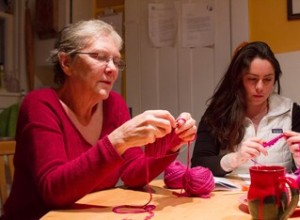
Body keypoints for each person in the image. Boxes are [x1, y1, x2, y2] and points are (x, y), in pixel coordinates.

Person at [1, 20, 197, 220]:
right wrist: (118, 140)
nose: (112, 69)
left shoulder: (114, 104)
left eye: (116, 60)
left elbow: (132, 174)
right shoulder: (40, 104)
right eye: (99, 57)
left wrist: (172, 144)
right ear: (66, 63)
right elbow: (54, 192)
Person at [191, 41, 300, 177]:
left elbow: (297, 173)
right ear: (238, 79)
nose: (260, 87)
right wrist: (234, 159)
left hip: (278, 194)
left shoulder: (291, 112)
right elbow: (198, 165)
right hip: (229, 196)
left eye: (267, 79)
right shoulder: (218, 112)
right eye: (252, 79)